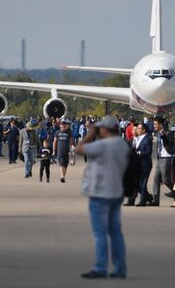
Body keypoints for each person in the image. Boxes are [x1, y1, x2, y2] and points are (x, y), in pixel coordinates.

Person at [75, 115, 130, 279]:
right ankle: (120, 268)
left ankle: (100, 267)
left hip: (100, 192)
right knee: (115, 232)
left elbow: (79, 149)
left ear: (105, 129)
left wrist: (89, 135)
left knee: (100, 233)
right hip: (116, 191)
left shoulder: (102, 145)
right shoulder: (122, 144)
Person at [150, 116, 174, 207]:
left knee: (165, 179)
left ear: (161, 124)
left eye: (155, 124)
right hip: (160, 158)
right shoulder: (158, 133)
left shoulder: (168, 133)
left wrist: (165, 138)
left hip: (166, 157)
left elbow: (171, 144)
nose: (154, 126)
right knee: (156, 179)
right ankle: (155, 200)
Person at [132, 122, 153, 207]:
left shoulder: (147, 139)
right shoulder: (138, 138)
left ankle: (142, 201)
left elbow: (148, 152)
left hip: (145, 164)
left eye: (139, 128)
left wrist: (139, 153)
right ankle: (148, 197)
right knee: (138, 183)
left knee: (143, 183)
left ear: (144, 130)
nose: (137, 130)